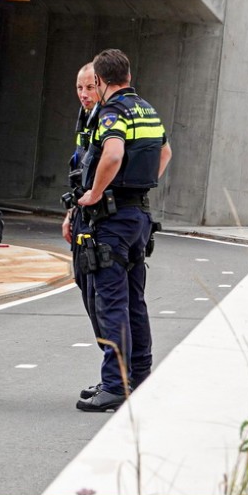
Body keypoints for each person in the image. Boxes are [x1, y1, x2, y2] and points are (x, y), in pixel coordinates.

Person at [71, 49, 171, 412]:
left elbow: (112, 154)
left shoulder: (112, 112)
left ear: (100, 80)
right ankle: (138, 377)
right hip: (138, 215)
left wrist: (96, 193)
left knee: (111, 302)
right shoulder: (147, 109)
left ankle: (115, 386)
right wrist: (138, 186)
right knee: (134, 300)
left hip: (110, 220)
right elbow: (165, 153)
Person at [62, 63, 107, 393]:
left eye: (89, 88)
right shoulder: (85, 119)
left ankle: (116, 378)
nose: (84, 95)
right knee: (88, 294)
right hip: (80, 216)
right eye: (79, 88)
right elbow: (78, 171)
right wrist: (69, 214)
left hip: (100, 220)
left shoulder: (108, 119)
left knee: (103, 300)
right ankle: (112, 375)